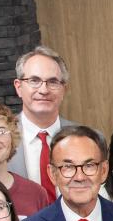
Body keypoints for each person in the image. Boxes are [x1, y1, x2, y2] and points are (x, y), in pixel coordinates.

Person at [7, 46, 81, 200]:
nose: (44, 90)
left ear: (64, 90)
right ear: (18, 87)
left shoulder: (85, 138)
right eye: (34, 80)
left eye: (53, 82)